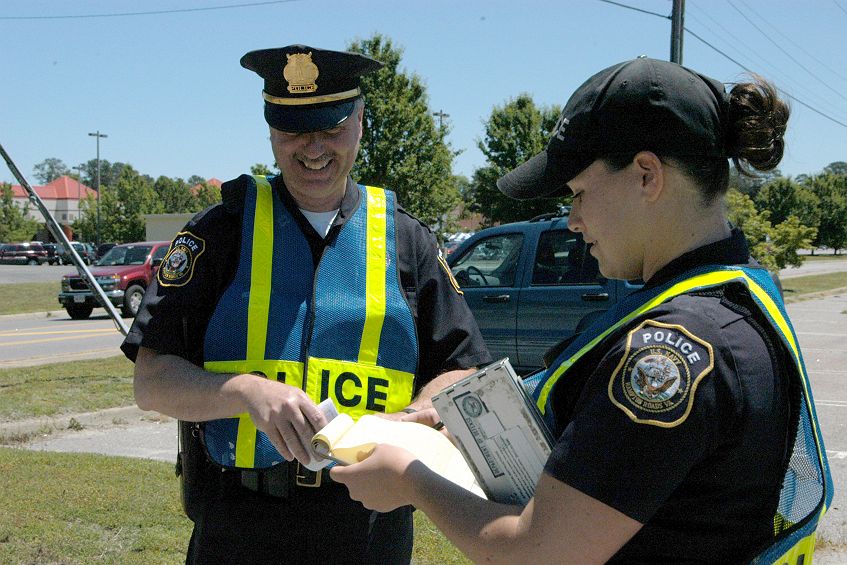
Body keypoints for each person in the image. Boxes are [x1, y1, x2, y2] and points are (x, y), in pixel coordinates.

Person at [331, 57, 833, 563]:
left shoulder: (670, 352)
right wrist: (443, 424)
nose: (572, 220)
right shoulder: (730, 307)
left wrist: (410, 482)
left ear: (646, 176)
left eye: (579, 193)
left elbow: (540, 551)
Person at [121, 44, 491, 564]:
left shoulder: (406, 240)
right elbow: (151, 380)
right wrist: (245, 392)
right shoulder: (221, 230)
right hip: (240, 520)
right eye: (294, 129)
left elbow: (460, 368)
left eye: (332, 126)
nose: (313, 147)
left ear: (360, 122)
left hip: (368, 526)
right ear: (270, 129)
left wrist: (414, 417)